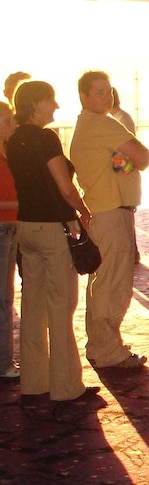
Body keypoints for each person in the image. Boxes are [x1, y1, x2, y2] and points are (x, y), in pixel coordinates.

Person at [7, 81, 96, 400]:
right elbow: (65, 187)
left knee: (32, 306)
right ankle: (66, 386)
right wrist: (84, 212)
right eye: (50, 101)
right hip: (54, 228)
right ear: (36, 104)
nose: (56, 106)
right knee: (61, 306)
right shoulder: (46, 139)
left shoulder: (14, 139)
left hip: (27, 227)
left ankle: (34, 381)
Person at [70, 71, 149, 369]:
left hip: (100, 211)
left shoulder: (86, 125)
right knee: (113, 284)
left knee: (102, 282)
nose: (107, 96)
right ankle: (109, 352)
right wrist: (129, 161)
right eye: (99, 92)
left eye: (108, 91)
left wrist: (124, 160)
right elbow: (143, 157)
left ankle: (101, 346)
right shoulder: (102, 124)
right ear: (84, 96)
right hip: (111, 212)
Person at [0, 102, 18, 378]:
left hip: (11, 227)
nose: (13, 126)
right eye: (8, 121)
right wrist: (22, 202)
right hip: (3, 228)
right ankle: (3, 363)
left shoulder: (7, 153)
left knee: (6, 296)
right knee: (3, 299)